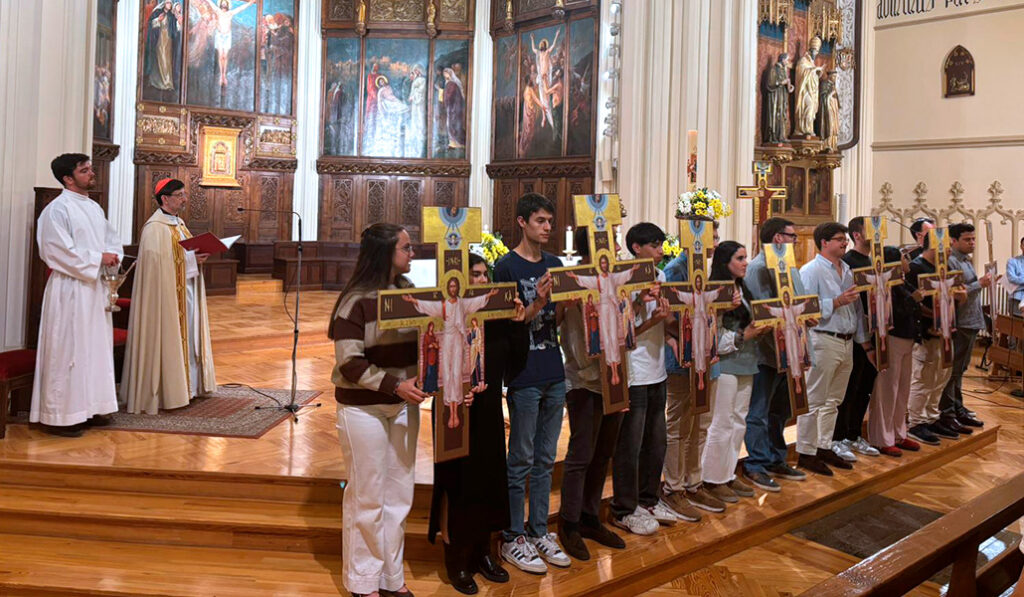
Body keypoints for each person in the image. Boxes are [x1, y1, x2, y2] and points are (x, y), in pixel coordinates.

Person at [329, 224, 427, 597]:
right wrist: (395, 384)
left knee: (400, 495)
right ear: (386, 252)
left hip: (401, 405)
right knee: (368, 495)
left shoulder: (410, 294)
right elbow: (350, 363)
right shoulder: (356, 300)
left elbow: (425, 343)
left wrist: (426, 376)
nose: (412, 253)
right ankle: (362, 581)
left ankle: (390, 577)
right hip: (363, 408)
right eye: (406, 248)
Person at [429, 253, 522, 595]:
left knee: (488, 479)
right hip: (454, 408)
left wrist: (518, 323)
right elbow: (431, 362)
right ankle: (456, 558)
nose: (483, 281)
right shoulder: (444, 316)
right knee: (458, 484)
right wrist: (453, 390)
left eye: (485, 275)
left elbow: (514, 361)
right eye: (476, 275)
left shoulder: (494, 316)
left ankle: (483, 551)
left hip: (487, 412)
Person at [494, 193, 570, 574]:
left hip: (554, 369)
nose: (547, 227)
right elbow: (508, 325)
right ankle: (513, 535)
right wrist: (539, 303)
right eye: (540, 220)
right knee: (520, 458)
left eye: (550, 221)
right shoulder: (504, 267)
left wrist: (571, 302)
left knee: (544, 459)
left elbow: (561, 317)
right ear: (522, 222)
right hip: (523, 373)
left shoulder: (554, 264)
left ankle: (539, 530)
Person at [30, 153, 123, 437]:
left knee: (94, 349)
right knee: (68, 349)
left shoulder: (93, 208)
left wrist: (113, 256)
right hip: (69, 290)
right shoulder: (56, 210)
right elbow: (55, 251)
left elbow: (111, 240)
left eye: (90, 169)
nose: (91, 174)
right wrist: (98, 258)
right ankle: (62, 416)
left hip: (94, 289)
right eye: (84, 170)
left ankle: (91, 407)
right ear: (67, 178)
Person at [557, 228, 628, 561]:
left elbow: (626, 324)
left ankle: (589, 517)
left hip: (614, 375)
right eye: (612, 239)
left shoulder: (614, 279)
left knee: (604, 453)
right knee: (581, 453)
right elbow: (557, 320)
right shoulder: (572, 278)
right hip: (583, 377)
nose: (615, 246)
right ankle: (568, 523)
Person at [120, 179, 217, 414]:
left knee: (190, 336)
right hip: (166, 297)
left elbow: (183, 256)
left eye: (184, 194)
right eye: (180, 195)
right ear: (165, 198)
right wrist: (191, 259)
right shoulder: (154, 228)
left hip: (187, 291)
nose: (184, 199)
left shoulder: (179, 224)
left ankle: (190, 388)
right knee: (170, 336)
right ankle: (168, 391)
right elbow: (157, 267)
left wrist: (197, 257)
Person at [611, 223, 677, 534]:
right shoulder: (622, 277)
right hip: (634, 372)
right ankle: (624, 507)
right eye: (654, 244)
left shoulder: (661, 276)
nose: (660, 249)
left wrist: (671, 318)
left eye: (661, 244)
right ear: (636, 247)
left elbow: (665, 322)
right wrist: (650, 315)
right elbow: (625, 334)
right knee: (630, 444)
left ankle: (649, 498)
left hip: (657, 369)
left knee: (656, 442)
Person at [660, 224, 724, 521]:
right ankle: (673, 487)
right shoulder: (676, 269)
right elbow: (669, 316)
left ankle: (693, 481)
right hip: (682, 359)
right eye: (713, 236)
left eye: (717, 235)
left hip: (705, 356)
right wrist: (684, 340)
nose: (715, 242)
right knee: (679, 426)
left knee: (700, 423)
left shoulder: (705, 269)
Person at [796, 222, 871, 476]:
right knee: (815, 399)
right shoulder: (811, 270)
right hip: (823, 338)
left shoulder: (848, 269)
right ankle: (806, 452)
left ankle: (823, 445)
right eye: (839, 239)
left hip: (846, 339)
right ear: (824, 242)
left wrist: (863, 340)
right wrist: (836, 302)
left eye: (845, 239)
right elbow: (804, 308)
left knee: (834, 400)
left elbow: (857, 308)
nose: (845, 243)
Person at [742, 218, 810, 492]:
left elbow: (800, 300)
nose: (796, 241)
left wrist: (808, 316)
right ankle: (756, 463)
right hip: (767, 351)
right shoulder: (757, 269)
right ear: (779, 238)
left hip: (792, 349)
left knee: (781, 409)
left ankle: (775, 458)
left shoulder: (789, 265)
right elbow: (761, 311)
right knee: (758, 411)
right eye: (792, 236)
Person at [701, 241, 767, 503]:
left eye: (746, 257)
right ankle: (712, 479)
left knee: (739, 420)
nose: (745, 262)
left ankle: (727, 473)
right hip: (726, 362)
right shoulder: (716, 290)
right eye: (739, 258)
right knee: (722, 422)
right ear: (724, 262)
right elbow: (712, 332)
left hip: (747, 360)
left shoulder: (742, 287)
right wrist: (745, 334)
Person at [402, 277, 498, 429]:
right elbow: (428, 306)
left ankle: (456, 412)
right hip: (447, 341)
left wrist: (489, 295)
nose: (453, 289)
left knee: (456, 374)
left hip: (458, 341)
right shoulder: (443, 305)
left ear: (458, 288)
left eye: (455, 286)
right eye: (451, 286)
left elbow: (476, 302)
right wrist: (413, 300)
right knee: (447, 374)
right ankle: (450, 410)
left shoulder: (462, 303)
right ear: (448, 288)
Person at [832, 217, 881, 459]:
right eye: (872, 230)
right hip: (851, 334)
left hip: (869, 331)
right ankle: (838, 436)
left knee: (864, 388)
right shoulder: (849, 262)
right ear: (858, 235)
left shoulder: (872, 261)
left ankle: (853, 434)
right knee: (848, 390)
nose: (877, 234)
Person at [867, 246, 923, 457]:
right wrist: (913, 300)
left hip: (907, 339)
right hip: (891, 339)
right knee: (887, 390)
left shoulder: (903, 282)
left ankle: (899, 433)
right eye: (904, 257)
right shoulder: (886, 285)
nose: (908, 260)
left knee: (903, 390)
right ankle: (882, 437)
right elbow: (890, 314)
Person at [906, 232, 960, 446]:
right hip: (927, 332)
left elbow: (948, 297)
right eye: (946, 247)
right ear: (933, 247)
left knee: (942, 377)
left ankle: (931, 416)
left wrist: (958, 298)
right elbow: (913, 303)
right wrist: (936, 318)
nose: (949, 251)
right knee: (923, 378)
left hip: (946, 331)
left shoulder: (943, 268)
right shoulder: (916, 268)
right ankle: (916, 422)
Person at [939, 223, 992, 432]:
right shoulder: (951, 261)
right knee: (953, 370)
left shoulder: (966, 260)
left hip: (971, 320)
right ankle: (948, 411)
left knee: (961, 369)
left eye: (973, 239)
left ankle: (958, 407)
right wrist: (980, 283)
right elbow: (954, 293)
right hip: (960, 321)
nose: (972, 243)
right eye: (967, 240)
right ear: (953, 240)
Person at [567, 254, 640, 386]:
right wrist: (575, 277)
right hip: (601, 309)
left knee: (614, 337)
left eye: (606, 263)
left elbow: (622, 276)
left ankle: (615, 370)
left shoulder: (612, 276)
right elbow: (586, 281)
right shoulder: (597, 279)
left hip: (612, 309)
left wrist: (632, 270)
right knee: (605, 338)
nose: (604, 265)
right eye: (602, 263)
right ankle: (612, 369)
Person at [1007, 236, 1024, 315]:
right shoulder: (1012, 261)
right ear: (1021, 246)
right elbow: (1011, 278)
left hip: (1018, 290)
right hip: (1016, 297)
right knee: (1016, 324)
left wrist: (1019, 280)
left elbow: (1016, 279)